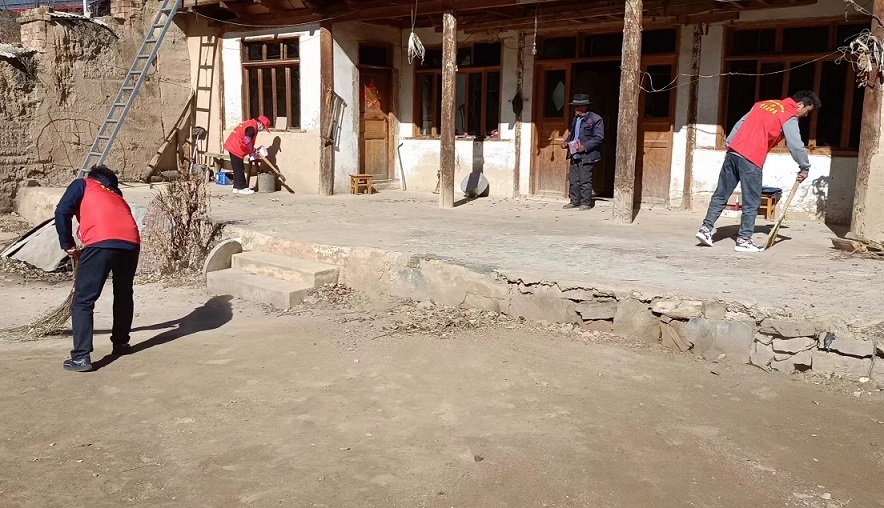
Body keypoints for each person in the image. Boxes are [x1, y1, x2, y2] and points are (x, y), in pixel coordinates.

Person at [696, 90, 821, 252]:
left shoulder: (764, 104)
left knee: (721, 193)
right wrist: (804, 167)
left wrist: (730, 143)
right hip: (752, 158)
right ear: (800, 104)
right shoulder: (789, 115)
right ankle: (744, 240)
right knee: (752, 201)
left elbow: (740, 123)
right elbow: (795, 145)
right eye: (807, 111)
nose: (805, 115)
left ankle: (705, 229)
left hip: (733, 152)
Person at [55, 165, 141, 372]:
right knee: (123, 293)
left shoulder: (83, 184)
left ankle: (81, 358)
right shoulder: (117, 196)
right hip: (131, 244)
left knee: (83, 301)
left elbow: (62, 211)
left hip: (101, 242)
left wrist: (67, 244)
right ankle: (121, 343)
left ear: (93, 177)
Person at [561, 94, 604, 210]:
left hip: (587, 155)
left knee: (585, 179)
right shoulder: (576, 119)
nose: (574, 109)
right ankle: (574, 201)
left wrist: (585, 146)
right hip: (574, 152)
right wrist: (566, 142)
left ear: (583, 107)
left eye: (576, 107)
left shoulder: (596, 119)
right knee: (573, 179)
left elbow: (599, 137)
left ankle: (585, 203)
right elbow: (573, 135)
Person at [223, 115, 270, 195]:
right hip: (235, 147)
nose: (262, 129)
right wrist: (253, 150)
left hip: (233, 145)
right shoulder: (252, 128)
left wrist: (251, 150)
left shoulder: (250, 123)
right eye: (263, 127)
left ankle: (236, 187)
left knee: (237, 168)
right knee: (239, 168)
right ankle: (242, 188)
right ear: (260, 123)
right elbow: (247, 140)